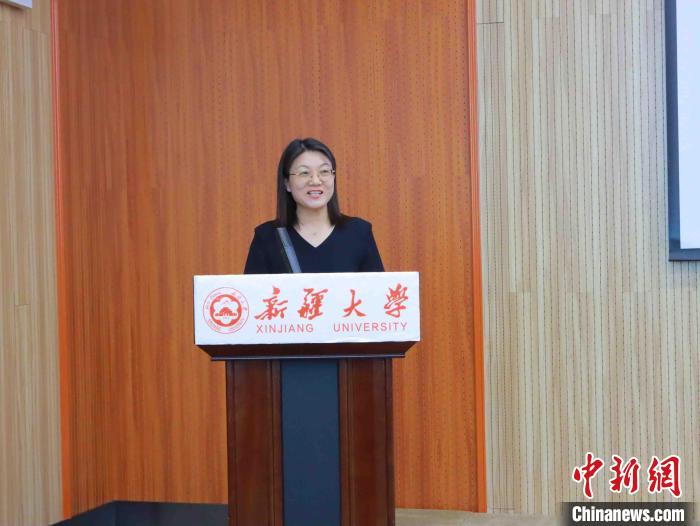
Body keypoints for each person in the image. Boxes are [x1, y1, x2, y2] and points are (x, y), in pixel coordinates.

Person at [244, 137, 384, 274]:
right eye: (304, 173)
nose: (316, 181)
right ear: (287, 183)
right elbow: (254, 289)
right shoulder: (267, 237)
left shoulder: (359, 232)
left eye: (324, 171)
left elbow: (376, 288)